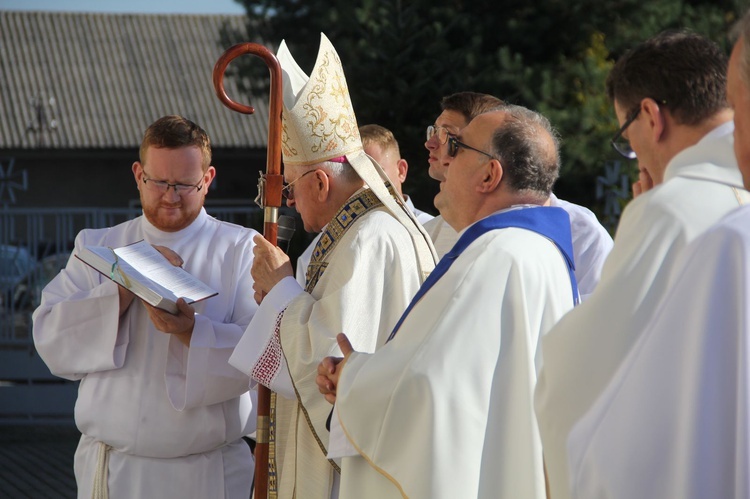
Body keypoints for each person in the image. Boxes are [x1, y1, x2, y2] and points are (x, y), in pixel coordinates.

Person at [317, 105, 577, 498]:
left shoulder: (495, 255)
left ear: (490, 175)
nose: (443, 157)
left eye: (457, 147)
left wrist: (353, 377)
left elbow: (430, 387)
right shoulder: (541, 252)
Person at [534, 30, 750, 499]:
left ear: (650, 116)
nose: (634, 155)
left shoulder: (668, 210)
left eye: (625, 137)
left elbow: (585, 374)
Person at [228, 34, 436, 499]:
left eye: (293, 187)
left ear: (321, 183)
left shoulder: (369, 237)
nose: (288, 201)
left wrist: (282, 291)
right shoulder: (356, 230)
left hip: (351, 475)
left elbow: (334, 366)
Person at [32, 115, 259, 498]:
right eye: (158, 182)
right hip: (114, 468)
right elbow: (51, 338)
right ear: (138, 174)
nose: (170, 195)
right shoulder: (96, 248)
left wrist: (191, 332)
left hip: (205, 473)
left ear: (207, 179)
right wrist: (122, 291)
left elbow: (261, 358)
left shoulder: (241, 249)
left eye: (185, 184)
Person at [423, 91, 613, 298]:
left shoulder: (581, 233)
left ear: (490, 172)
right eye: (434, 132)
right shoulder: (429, 233)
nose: (431, 144)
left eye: (451, 140)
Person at [295, 124, 434, 283]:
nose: (365, 185)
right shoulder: (319, 252)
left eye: (374, 172)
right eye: (357, 176)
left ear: (401, 171)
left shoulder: (432, 231)